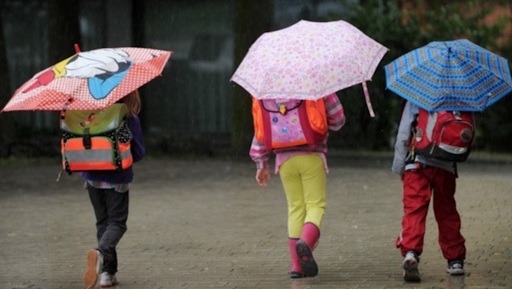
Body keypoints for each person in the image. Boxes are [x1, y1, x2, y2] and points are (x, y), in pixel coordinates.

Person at [250, 93, 345, 278]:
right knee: (315, 205)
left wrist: (261, 164)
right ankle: (306, 243)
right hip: (311, 155)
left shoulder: (266, 90)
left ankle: (296, 266)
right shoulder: (314, 83)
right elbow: (338, 120)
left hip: (284, 161)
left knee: (295, 208)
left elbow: (260, 129)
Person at [391, 101, 466, 282]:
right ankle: (455, 260)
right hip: (446, 166)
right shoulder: (462, 98)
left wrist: (399, 166)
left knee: (415, 210)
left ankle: (410, 252)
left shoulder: (417, 96)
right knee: (447, 212)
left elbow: (403, 133)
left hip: (417, 163)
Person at [82, 90, 146, 288]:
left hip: (92, 177)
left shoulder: (88, 114)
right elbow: (139, 151)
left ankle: (107, 274)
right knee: (117, 223)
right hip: (117, 179)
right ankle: (100, 253)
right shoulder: (127, 117)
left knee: (103, 223)